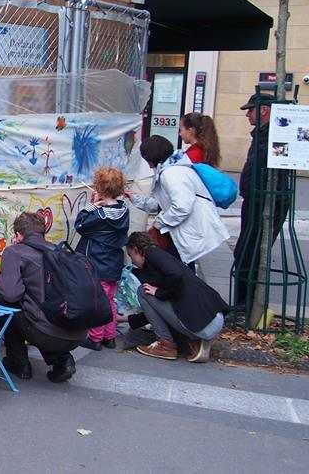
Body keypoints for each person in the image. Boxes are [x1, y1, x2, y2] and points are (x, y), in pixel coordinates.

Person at [0, 212, 84, 383]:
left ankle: (19, 362)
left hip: (45, 333)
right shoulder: (59, 251)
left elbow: (9, 293)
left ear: (18, 235)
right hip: (77, 332)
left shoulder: (15, 252)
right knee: (42, 308)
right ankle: (62, 359)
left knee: (2, 293)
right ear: (43, 233)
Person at [122, 232, 228, 362]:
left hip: (202, 324)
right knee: (150, 292)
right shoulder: (162, 259)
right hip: (215, 319)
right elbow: (158, 311)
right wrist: (125, 319)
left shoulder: (152, 255)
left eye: (130, 255)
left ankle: (166, 345)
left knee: (143, 291)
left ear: (136, 249)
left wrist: (159, 292)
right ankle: (198, 341)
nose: (132, 260)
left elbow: (175, 276)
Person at [128, 135, 229, 267]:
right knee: (180, 271)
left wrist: (159, 223)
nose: (148, 164)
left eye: (147, 159)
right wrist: (135, 199)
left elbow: (181, 207)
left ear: (152, 157)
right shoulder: (173, 167)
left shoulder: (171, 174)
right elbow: (161, 204)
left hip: (191, 231)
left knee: (181, 275)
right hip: (186, 232)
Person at [233, 93, 292, 308]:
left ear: (264, 110)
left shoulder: (274, 135)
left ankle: (246, 304)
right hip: (255, 198)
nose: (248, 114)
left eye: (251, 109)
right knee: (245, 250)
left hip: (266, 201)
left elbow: (275, 169)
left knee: (250, 251)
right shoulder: (261, 134)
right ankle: (243, 302)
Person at [75, 167, 130, 351]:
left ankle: (95, 338)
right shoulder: (123, 210)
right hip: (113, 263)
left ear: (100, 188)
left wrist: (90, 206)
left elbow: (80, 224)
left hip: (97, 263)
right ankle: (110, 336)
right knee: (110, 301)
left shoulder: (99, 215)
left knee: (98, 301)